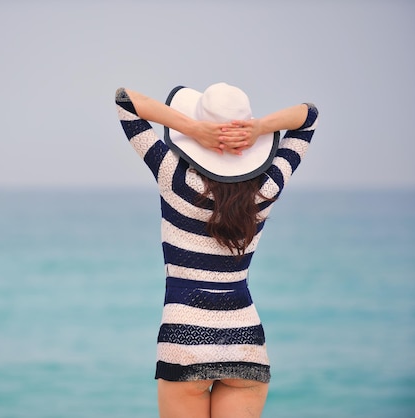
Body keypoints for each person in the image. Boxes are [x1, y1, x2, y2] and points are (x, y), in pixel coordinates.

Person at [114, 83, 318, 418]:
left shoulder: (174, 178)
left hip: (184, 341)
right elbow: (308, 117)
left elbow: (126, 102)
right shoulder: (267, 188)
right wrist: (258, 129)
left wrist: (195, 129)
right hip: (245, 343)